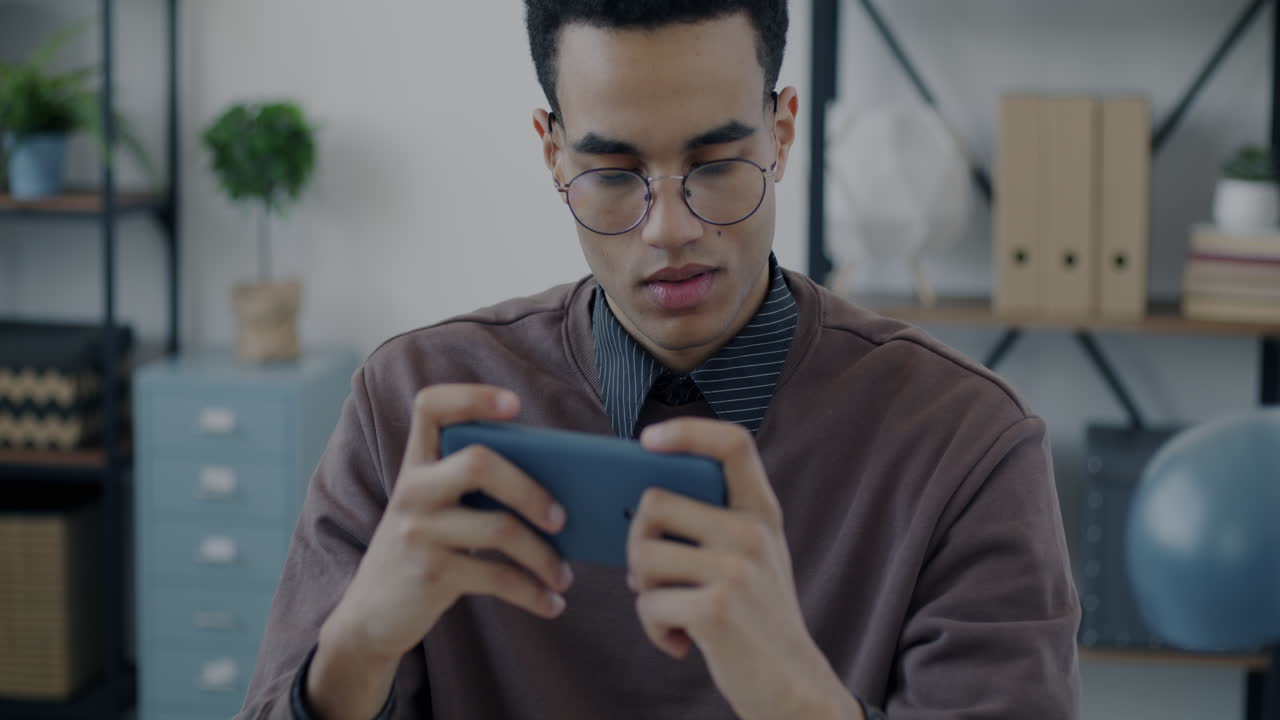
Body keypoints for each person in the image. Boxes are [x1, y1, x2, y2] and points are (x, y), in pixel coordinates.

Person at [236, 2, 1081, 718]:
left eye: (715, 164)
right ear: (553, 155)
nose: (669, 228)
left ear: (782, 133)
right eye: (613, 173)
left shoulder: (967, 446)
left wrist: (791, 692)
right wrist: (358, 645)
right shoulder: (410, 409)